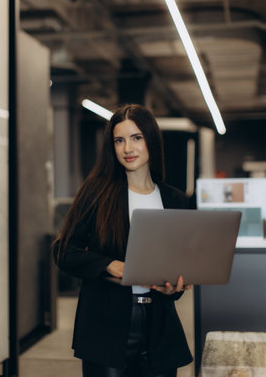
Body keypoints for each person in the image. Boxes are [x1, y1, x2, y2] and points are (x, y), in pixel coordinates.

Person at [52, 104, 193, 377]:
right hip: (107, 327)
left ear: (151, 140)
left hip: (160, 328)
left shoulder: (175, 200)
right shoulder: (97, 193)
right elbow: (63, 250)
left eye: (136, 138)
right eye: (119, 140)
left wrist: (173, 288)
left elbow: (177, 267)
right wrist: (110, 265)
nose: (128, 148)